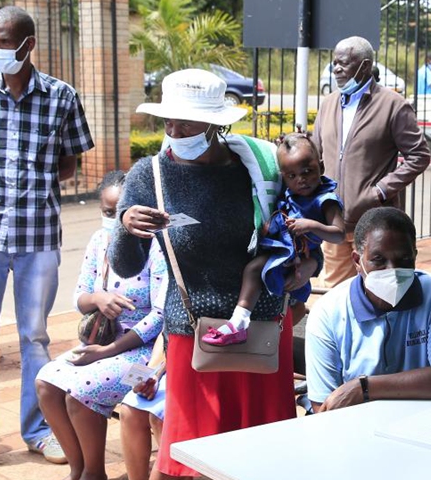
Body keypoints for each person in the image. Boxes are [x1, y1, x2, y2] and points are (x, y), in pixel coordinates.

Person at [110, 68, 319, 479]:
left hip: (262, 331)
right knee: (195, 457)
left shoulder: (260, 169)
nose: (173, 130)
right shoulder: (148, 175)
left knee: (264, 454)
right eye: (167, 120)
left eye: (185, 121)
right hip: (193, 336)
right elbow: (126, 265)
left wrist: (309, 266)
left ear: (215, 123)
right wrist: (126, 227)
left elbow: (303, 241)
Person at [0, 6, 94, 477]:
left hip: (38, 233)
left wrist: (37, 180)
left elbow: (71, 162)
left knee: (35, 337)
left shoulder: (61, 96)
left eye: (5, 42)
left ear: (28, 44)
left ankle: (38, 431)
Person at [35, 170, 167, 480]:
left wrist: (106, 351)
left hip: (145, 352)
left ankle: (94, 473)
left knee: (79, 393)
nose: (113, 219)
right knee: (46, 383)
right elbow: (79, 297)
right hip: (102, 345)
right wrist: (98, 298)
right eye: (107, 212)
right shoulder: (100, 240)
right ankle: (78, 468)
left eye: (119, 211)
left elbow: (160, 316)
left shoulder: (157, 246)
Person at [305, 207, 431, 413]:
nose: (392, 271)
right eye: (379, 260)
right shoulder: (328, 312)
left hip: (428, 423)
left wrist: (364, 387)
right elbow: (325, 408)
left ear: (415, 256)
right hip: (360, 429)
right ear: (357, 261)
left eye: (404, 260)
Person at [202, 132, 345, 346]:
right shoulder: (289, 194)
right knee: (259, 274)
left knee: (255, 270)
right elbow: (281, 214)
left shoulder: (325, 200)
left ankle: (238, 322)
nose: (301, 180)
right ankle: (240, 322)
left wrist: (312, 225)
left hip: (294, 254)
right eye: (292, 176)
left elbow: (339, 234)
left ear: (321, 167)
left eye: (307, 172)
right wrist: (271, 226)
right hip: (282, 250)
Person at [312, 36, 430, 288]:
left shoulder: (393, 105)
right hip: (333, 223)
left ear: (364, 66)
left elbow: (419, 155)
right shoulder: (328, 104)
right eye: (334, 63)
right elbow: (317, 155)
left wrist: (380, 190)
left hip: (374, 225)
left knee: (378, 291)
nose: (336, 69)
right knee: (335, 294)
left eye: (343, 63)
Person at [119, 335, 168, 480]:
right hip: (171, 362)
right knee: (130, 411)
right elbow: (167, 333)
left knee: (161, 417)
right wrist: (152, 374)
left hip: (210, 366)